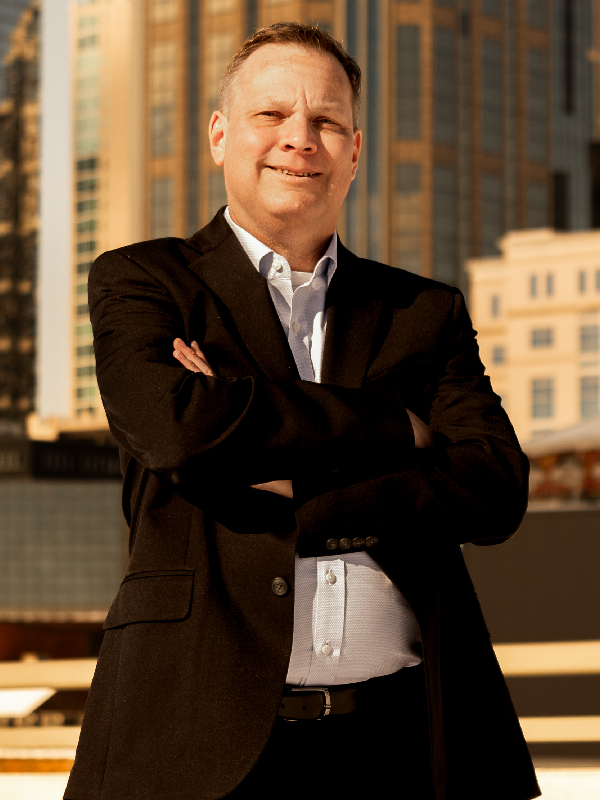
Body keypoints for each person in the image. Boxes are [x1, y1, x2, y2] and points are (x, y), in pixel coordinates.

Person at [65, 22, 541, 800]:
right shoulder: (145, 281)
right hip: (194, 744)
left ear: (355, 151)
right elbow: (178, 430)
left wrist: (288, 474)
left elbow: (493, 488)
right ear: (220, 136)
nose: (300, 138)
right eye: (271, 115)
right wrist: (394, 427)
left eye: (326, 121)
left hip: (403, 747)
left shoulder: (423, 311)